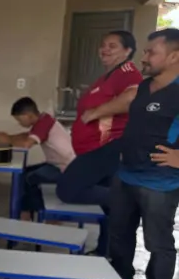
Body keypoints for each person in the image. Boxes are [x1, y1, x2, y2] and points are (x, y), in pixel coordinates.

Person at [103, 28, 179, 279]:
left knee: (158, 244)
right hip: (126, 177)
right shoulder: (144, 87)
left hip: (160, 184)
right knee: (119, 235)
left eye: (151, 52)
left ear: (173, 56)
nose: (144, 56)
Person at [56, 30, 143, 255]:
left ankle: (126, 198)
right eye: (103, 45)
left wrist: (96, 112)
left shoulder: (126, 71)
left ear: (127, 51)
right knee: (108, 207)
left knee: (68, 189)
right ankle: (104, 252)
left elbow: (133, 97)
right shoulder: (108, 76)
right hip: (96, 149)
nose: (104, 49)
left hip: (106, 147)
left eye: (112, 46)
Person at [0, 97, 75, 218]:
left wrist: (6, 140)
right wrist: (9, 137)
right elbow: (26, 136)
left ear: (28, 115)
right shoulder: (43, 120)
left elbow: (26, 144)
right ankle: (27, 210)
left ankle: (35, 213)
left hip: (67, 168)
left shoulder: (43, 123)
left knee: (29, 178)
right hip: (57, 163)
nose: (19, 123)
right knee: (24, 172)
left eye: (19, 119)